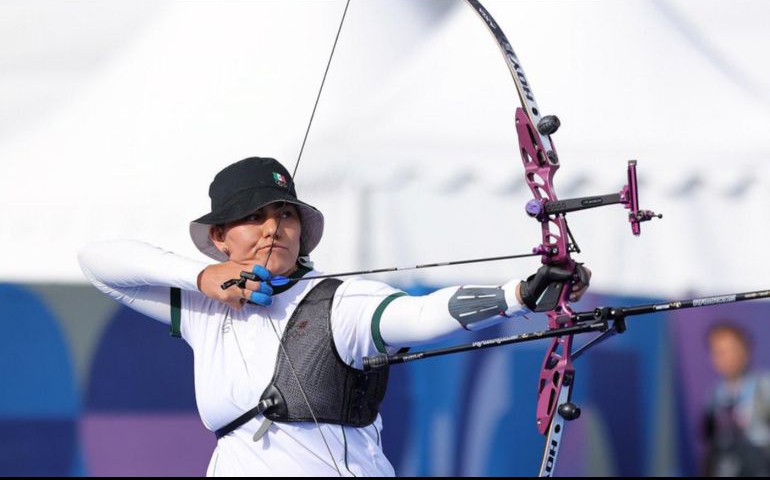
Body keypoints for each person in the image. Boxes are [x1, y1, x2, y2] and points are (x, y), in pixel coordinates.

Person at [78, 156, 590, 476]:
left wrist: (519, 294)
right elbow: (98, 261)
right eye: (254, 218)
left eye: (285, 215)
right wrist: (203, 278)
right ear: (220, 237)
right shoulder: (201, 309)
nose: (273, 228)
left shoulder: (339, 302)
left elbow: (417, 315)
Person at [703, 322, 770, 477]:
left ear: (746, 350)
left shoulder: (764, 387)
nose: (727, 358)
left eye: (732, 349)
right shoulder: (713, 398)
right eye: (719, 352)